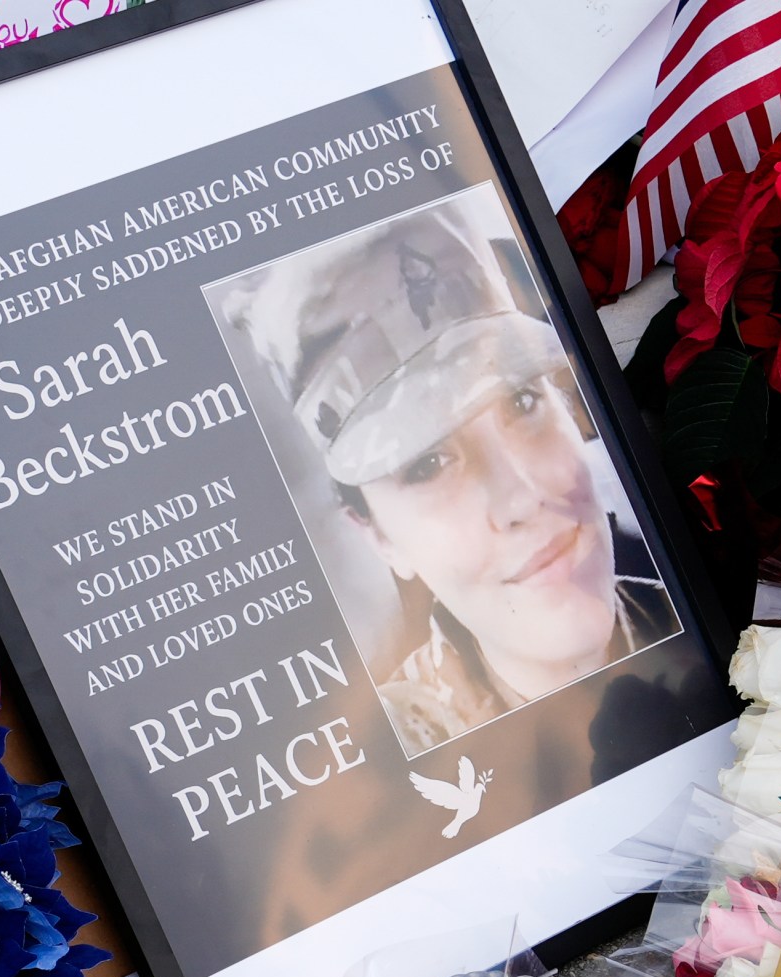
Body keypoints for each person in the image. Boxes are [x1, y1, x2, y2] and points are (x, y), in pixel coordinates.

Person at [225, 199, 673, 754]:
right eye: (428, 462)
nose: (521, 498)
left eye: (523, 399)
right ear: (379, 536)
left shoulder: (715, 633)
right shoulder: (375, 774)